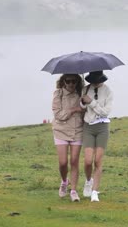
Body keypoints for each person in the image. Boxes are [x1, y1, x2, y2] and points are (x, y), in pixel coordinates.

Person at [80, 71, 113, 202]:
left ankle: (95, 192)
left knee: (98, 161)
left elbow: (105, 112)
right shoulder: (85, 89)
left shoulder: (108, 91)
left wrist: (91, 102)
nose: (96, 82)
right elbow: (81, 107)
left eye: (98, 80)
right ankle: (88, 181)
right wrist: (83, 101)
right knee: (88, 161)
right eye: (93, 80)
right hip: (88, 127)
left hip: (102, 128)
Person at [51, 74, 85, 202]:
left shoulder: (82, 93)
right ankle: (65, 181)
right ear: (63, 82)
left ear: (77, 82)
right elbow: (58, 114)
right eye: (68, 81)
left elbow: (86, 111)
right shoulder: (58, 94)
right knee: (63, 162)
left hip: (77, 131)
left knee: (75, 161)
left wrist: (85, 105)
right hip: (61, 130)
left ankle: (74, 191)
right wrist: (73, 109)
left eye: (74, 81)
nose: (71, 84)